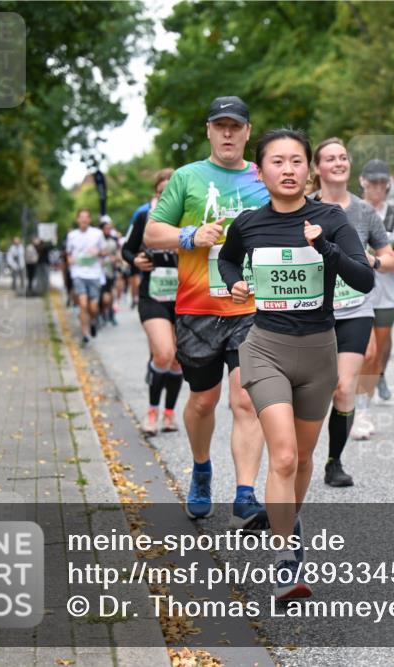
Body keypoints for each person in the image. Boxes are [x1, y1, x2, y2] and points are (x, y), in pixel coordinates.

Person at [217, 128, 374, 598]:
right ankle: (286, 560)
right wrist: (235, 285)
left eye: (296, 161)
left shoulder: (330, 218)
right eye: (277, 162)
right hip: (265, 347)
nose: (288, 170)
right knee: (282, 453)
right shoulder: (247, 223)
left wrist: (324, 246)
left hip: (319, 351)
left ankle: (287, 523)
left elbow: (364, 279)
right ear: (260, 170)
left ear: (309, 169)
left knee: (303, 458)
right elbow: (227, 261)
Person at [144, 96, 270, 529]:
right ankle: (201, 469)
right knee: (202, 400)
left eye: (236, 126)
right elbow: (152, 233)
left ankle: (246, 493)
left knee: (246, 401)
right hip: (197, 308)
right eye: (221, 126)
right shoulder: (187, 177)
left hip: (249, 307)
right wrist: (189, 235)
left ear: (249, 132)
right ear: (209, 131)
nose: (229, 133)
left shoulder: (264, 177)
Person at [310, 138, 394, 485]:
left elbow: (390, 258)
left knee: (345, 389)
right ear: (316, 168)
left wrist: (371, 260)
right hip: (311, 311)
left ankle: (334, 462)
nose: (338, 162)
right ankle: (300, 458)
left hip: (356, 309)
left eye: (343, 157)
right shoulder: (304, 207)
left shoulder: (364, 211)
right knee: (313, 391)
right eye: (330, 158)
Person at [122, 169, 184, 436]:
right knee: (163, 353)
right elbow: (127, 249)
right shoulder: (146, 216)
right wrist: (135, 260)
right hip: (153, 296)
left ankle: (169, 415)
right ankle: (151, 412)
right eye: (162, 192)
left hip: (183, 296)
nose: (166, 195)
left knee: (178, 360)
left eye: (172, 191)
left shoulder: (188, 216)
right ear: (156, 193)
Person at [355, 159, 394, 405]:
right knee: (366, 349)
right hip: (356, 293)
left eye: (382, 182)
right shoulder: (352, 210)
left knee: (381, 346)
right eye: (373, 182)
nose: (378, 187)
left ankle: (379, 373)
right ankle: (362, 401)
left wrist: (379, 257)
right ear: (362, 181)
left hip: (386, 294)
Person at [65, 209, 105, 345]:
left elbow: (105, 251)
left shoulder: (97, 234)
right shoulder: (71, 235)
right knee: (82, 304)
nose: (83, 220)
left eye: (86, 217)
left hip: (94, 274)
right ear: (77, 220)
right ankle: (85, 334)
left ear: (89, 220)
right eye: (81, 217)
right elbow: (68, 253)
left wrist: (98, 252)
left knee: (93, 307)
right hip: (78, 273)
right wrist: (69, 259)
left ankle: (93, 320)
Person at [98, 217, 120, 327]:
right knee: (102, 296)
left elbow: (118, 255)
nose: (107, 230)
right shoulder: (96, 239)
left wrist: (114, 259)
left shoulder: (113, 240)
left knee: (109, 295)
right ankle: (102, 314)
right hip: (97, 272)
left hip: (110, 272)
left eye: (109, 228)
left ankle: (110, 314)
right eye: (105, 228)